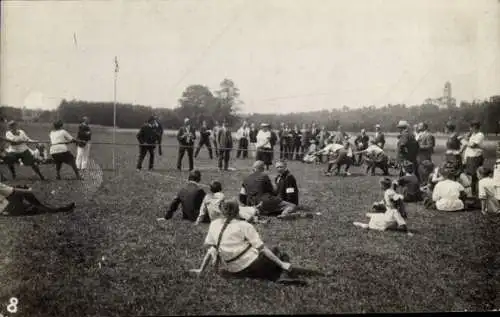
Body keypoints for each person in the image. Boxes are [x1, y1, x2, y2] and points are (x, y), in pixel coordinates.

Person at [189, 199, 305, 284]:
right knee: (276, 250)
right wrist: (282, 263)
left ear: (221, 210)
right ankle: (284, 275)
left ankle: (277, 273)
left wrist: (201, 269)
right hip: (250, 265)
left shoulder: (214, 224)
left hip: (233, 269)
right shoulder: (244, 225)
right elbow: (262, 248)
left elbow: (212, 249)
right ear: (238, 211)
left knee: (269, 259)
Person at [0, 182, 75, 216]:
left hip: (5, 205)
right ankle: (58, 209)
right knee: (23, 191)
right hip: (6, 209)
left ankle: (39, 206)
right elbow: (13, 191)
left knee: (21, 189)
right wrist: (30, 191)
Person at [463, 121, 485, 197]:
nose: (470, 129)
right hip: (470, 157)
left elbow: (472, 145)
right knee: (470, 175)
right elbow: (469, 147)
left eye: (471, 127)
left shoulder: (480, 135)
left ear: (475, 127)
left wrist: (463, 140)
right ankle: (472, 192)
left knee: (474, 176)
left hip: (476, 157)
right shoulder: (472, 134)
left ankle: (476, 192)